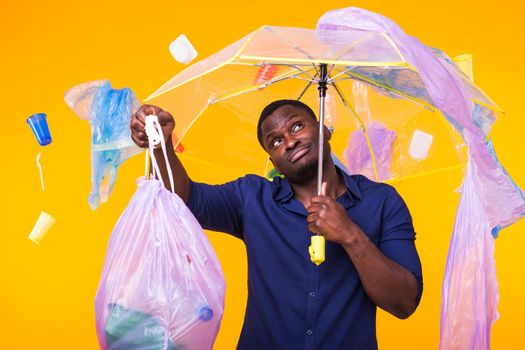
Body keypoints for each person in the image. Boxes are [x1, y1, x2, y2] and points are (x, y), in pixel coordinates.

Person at [130, 100, 423, 350]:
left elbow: (404, 303)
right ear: (273, 160)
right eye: (276, 141)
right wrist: (161, 146)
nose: (290, 141)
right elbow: (183, 200)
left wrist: (350, 235)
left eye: (296, 127)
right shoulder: (252, 198)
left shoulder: (382, 201)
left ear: (322, 130)